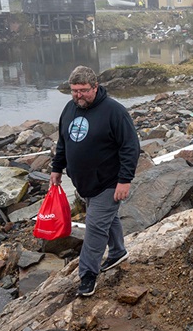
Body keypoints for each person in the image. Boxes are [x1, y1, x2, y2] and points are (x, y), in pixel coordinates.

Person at [50, 66, 140, 297]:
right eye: (74, 91)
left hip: (109, 181)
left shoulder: (114, 112)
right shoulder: (70, 109)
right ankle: (118, 251)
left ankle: (88, 275)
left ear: (95, 87)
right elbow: (64, 142)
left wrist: (124, 180)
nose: (78, 95)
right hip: (85, 182)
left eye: (83, 90)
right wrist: (57, 168)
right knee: (106, 220)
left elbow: (130, 147)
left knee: (95, 227)